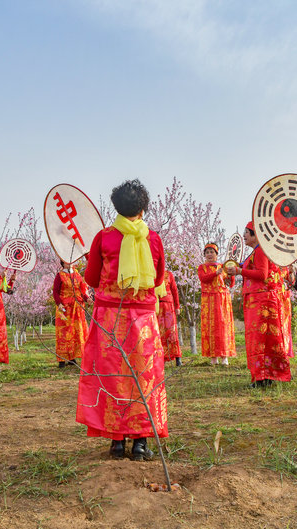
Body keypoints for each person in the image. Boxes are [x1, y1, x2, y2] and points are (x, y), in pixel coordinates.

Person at [76, 179, 167, 462]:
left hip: (110, 318)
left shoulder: (104, 237)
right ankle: (140, 442)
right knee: (143, 375)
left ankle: (116, 441)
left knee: (113, 376)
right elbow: (160, 278)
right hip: (142, 318)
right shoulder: (152, 238)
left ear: (115, 206)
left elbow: (90, 279)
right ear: (144, 208)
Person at [226, 222, 291, 387]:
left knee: (261, 339)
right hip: (256, 300)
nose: (244, 236)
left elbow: (262, 274)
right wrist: (239, 267)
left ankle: (263, 377)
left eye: (246, 233)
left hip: (261, 301)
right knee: (261, 339)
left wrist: (240, 271)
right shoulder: (255, 252)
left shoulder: (261, 250)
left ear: (255, 234)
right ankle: (265, 375)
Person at [196, 243, 236, 365]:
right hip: (209, 299)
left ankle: (224, 356)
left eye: (212, 252)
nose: (209, 254)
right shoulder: (202, 267)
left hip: (223, 298)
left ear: (217, 254)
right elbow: (203, 279)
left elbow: (230, 284)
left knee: (223, 326)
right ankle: (213, 357)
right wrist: (216, 273)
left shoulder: (223, 266)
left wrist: (231, 274)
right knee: (211, 327)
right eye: (207, 252)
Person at [52, 259, 90, 368]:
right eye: (67, 261)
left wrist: (87, 299)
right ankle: (62, 359)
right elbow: (55, 291)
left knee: (76, 332)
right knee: (64, 332)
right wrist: (59, 303)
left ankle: (73, 357)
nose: (70, 263)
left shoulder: (77, 274)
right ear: (63, 263)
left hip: (77, 307)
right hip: (65, 308)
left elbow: (82, 289)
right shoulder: (60, 275)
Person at [156, 269, 182, 365]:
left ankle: (177, 356)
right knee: (158, 332)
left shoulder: (169, 274)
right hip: (156, 306)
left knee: (172, 331)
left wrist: (177, 306)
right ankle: (160, 357)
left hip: (168, 306)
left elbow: (174, 290)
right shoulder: (150, 274)